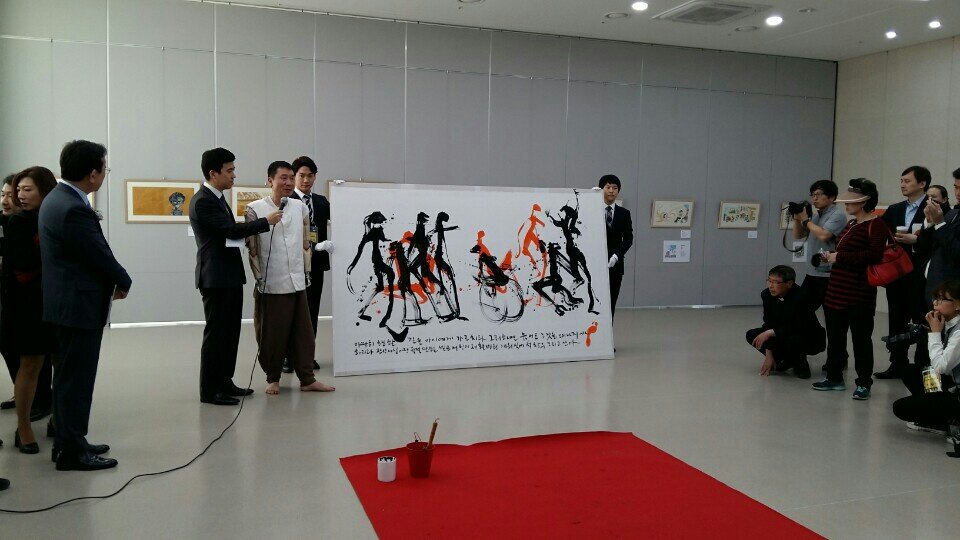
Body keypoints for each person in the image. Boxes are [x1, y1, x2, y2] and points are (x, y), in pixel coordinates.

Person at [40, 140, 131, 471]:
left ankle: (69, 441)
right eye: (104, 169)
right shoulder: (73, 207)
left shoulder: (56, 198)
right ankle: (72, 451)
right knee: (76, 382)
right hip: (78, 307)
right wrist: (123, 280)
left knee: (67, 379)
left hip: (66, 305)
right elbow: (97, 254)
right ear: (93, 174)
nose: (104, 175)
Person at [190, 148, 282, 406]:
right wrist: (265, 222)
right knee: (217, 334)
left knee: (230, 333)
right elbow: (229, 230)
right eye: (229, 170)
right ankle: (210, 390)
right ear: (213, 173)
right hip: (216, 277)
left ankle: (225, 381)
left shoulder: (218, 198)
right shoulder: (203, 200)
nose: (233, 175)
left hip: (228, 275)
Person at [245, 161, 334, 395]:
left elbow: (305, 243)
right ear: (270, 181)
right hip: (271, 283)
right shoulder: (255, 209)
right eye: (283, 178)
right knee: (272, 334)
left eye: (290, 178)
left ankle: (307, 379)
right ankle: (273, 377)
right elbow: (252, 249)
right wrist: (259, 278)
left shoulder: (299, 207)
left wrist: (306, 271)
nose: (288, 182)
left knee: (304, 333)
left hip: (298, 281)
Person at [813, 179, 889, 400]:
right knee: (836, 339)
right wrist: (830, 256)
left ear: (864, 202)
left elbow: (874, 255)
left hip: (859, 294)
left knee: (861, 340)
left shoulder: (876, 225)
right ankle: (834, 377)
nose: (846, 205)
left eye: (851, 201)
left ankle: (864, 383)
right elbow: (843, 251)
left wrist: (839, 257)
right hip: (836, 290)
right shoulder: (852, 223)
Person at [2, 167, 58, 454]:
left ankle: (58, 419)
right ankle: (23, 427)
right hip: (27, 305)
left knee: (61, 363)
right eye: (18, 190)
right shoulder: (19, 222)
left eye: (27, 189)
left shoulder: (54, 216)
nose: (20, 196)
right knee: (31, 364)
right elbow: (22, 264)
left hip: (57, 301)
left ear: (44, 190)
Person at [876, 166, 932, 378]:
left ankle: (923, 368)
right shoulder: (895, 209)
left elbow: (937, 240)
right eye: (901, 181)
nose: (902, 185)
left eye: (907, 181)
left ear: (922, 183)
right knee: (897, 319)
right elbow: (881, 234)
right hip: (897, 273)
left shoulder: (933, 208)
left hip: (921, 275)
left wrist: (916, 240)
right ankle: (897, 363)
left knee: (923, 321)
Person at [891, 279, 960, 434]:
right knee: (910, 371)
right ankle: (938, 419)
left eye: (942, 299)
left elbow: (940, 367)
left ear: (957, 305)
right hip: (953, 384)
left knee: (901, 407)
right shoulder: (949, 323)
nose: (935, 303)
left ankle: (949, 419)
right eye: (936, 298)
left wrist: (935, 333)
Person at [286, 155, 331, 373]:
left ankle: (307, 357)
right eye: (302, 175)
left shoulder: (321, 202)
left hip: (317, 264)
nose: (306, 180)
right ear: (294, 177)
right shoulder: (286, 201)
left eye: (310, 176)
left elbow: (341, 218)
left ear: (315, 177)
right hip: (293, 265)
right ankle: (288, 357)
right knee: (292, 312)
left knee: (312, 311)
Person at [746, 265, 824, 379]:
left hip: (808, 336)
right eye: (769, 281)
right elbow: (769, 322)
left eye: (776, 282)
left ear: (789, 284)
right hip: (781, 331)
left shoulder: (801, 296)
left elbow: (800, 326)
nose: (771, 286)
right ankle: (783, 360)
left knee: (793, 339)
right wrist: (769, 355)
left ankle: (799, 363)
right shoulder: (766, 295)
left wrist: (770, 332)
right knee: (752, 335)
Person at [792, 180, 847, 312]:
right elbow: (798, 235)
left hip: (827, 274)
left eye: (818, 194)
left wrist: (806, 220)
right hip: (813, 271)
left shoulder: (837, 215)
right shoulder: (817, 217)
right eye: (812, 195)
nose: (814, 198)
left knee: (829, 313)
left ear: (832, 197)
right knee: (801, 310)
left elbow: (824, 235)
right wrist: (797, 219)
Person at [600, 174, 633, 317]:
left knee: (611, 303)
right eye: (607, 187)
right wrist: (589, 197)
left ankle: (608, 331)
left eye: (615, 188)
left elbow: (628, 239)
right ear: (601, 189)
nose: (611, 191)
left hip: (615, 265)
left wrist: (617, 255)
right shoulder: (591, 210)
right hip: (594, 264)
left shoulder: (624, 213)